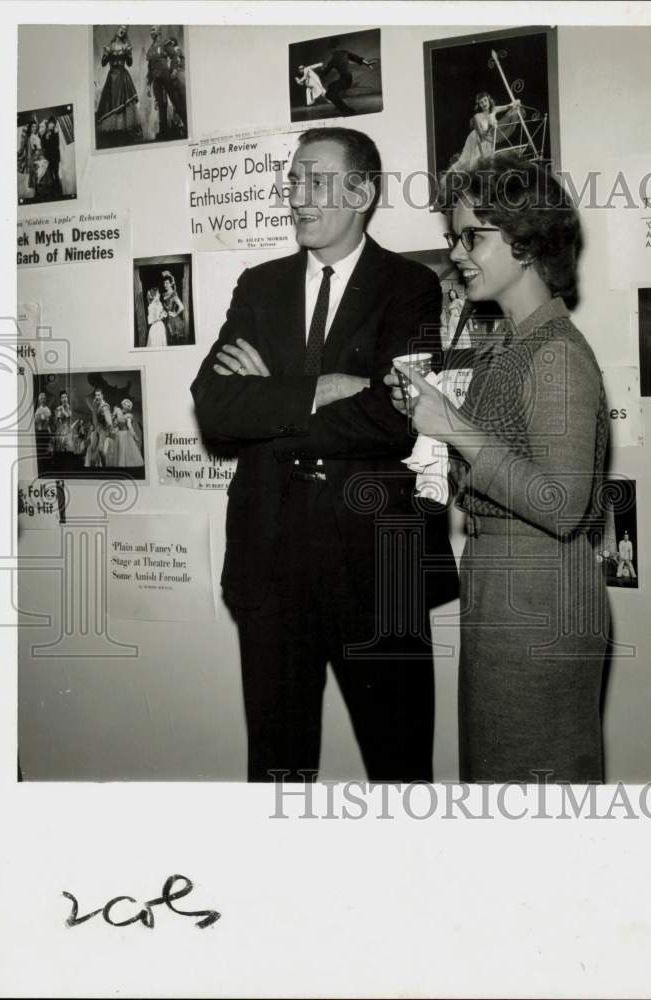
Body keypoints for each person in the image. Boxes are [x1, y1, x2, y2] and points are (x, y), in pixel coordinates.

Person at [191, 126, 457, 783]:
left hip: (378, 568)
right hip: (270, 561)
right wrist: (321, 388)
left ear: (362, 191)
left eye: (315, 180)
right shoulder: (259, 286)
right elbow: (216, 407)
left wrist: (273, 400)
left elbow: (395, 419)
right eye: (292, 181)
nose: (297, 197)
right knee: (277, 773)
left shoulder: (410, 286)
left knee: (400, 770)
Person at [387, 153, 610, 783]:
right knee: (500, 784)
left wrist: (452, 427)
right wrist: (432, 417)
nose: (458, 252)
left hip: (539, 597)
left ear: (526, 239)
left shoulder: (556, 354)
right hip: (502, 589)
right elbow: (497, 461)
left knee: (531, 793)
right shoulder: (511, 345)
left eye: (473, 236)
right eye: (454, 237)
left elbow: (563, 504)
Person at [447, 92, 522, 173]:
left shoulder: (494, 110)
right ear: (479, 105)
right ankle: (449, 173)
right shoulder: (477, 116)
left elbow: (508, 106)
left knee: (486, 163)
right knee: (467, 160)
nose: (484, 103)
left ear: (489, 100)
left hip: (489, 139)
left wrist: (516, 102)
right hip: (476, 139)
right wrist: (490, 125)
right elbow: (480, 136)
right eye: (481, 102)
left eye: (485, 100)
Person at [96, 25, 141, 144]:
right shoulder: (110, 46)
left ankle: (123, 130)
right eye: (121, 29)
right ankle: (113, 133)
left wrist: (129, 54)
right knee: (111, 102)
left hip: (122, 75)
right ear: (117, 30)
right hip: (112, 77)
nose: (122, 31)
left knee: (124, 102)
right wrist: (105, 54)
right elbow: (103, 63)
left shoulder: (126, 46)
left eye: (125, 30)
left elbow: (130, 63)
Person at [310, 49, 376, 116]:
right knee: (331, 86)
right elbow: (357, 58)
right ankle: (339, 105)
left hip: (345, 79)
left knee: (329, 94)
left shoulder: (333, 60)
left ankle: (347, 110)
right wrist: (367, 63)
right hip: (348, 78)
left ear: (333, 53)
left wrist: (312, 72)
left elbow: (324, 73)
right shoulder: (345, 53)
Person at [145, 26, 172, 139]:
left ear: (159, 31)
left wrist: (174, 70)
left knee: (173, 100)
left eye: (153, 29)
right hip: (156, 80)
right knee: (161, 104)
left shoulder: (165, 43)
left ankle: (180, 126)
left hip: (167, 78)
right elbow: (150, 69)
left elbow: (175, 56)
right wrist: (147, 85)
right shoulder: (150, 50)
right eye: (150, 30)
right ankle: (163, 131)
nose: (151, 32)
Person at [84, 388, 113, 468]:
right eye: (95, 395)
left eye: (98, 395)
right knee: (92, 449)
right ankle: (98, 465)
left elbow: (109, 422)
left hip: (104, 430)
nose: (97, 397)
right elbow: (95, 417)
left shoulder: (104, 407)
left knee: (101, 450)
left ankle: (105, 467)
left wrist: (109, 431)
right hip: (98, 429)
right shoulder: (95, 404)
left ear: (102, 396)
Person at [164, 36, 187, 133]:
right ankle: (182, 125)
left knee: (182, 102)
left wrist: (175, 70)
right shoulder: (169, 58)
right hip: (173, 82)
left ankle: (185, 125)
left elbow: (180, 63)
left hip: (179, 79)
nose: (167, 49)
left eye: (169, 46)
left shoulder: (177, 51)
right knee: (177, 104)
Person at [112, 398, 144, 467]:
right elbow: (114, 424)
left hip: (125, 435)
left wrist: (134, 435)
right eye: (126, 405)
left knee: (124, 452)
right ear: (123, 405)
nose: (127, 406)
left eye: (129, 406)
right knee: (119, 452)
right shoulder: (118, 413)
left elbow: (129, 427)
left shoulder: (129, 416)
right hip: (118, 434)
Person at [160, 271, 184, 344]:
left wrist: (175, 314)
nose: (165, 285)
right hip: (164, 319)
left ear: (171, 283)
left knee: (172, 340)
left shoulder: (174, 294)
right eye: (164, 283)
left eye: (167, 283)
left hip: (172, 321)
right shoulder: (164, 294)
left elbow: (181, 307)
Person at [41, 117, 62, 197]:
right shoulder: (44, 134)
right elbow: (43, 146)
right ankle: (53, 190)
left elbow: (56, 144)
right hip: (48, 157)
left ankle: (58, 190)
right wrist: (46, 138)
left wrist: (52, 135)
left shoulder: (56, 133)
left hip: (55, 157)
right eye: (50, 123)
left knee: (56, 173)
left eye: (53, 123)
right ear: (48, 124)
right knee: (50, 174)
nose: (52, 125)